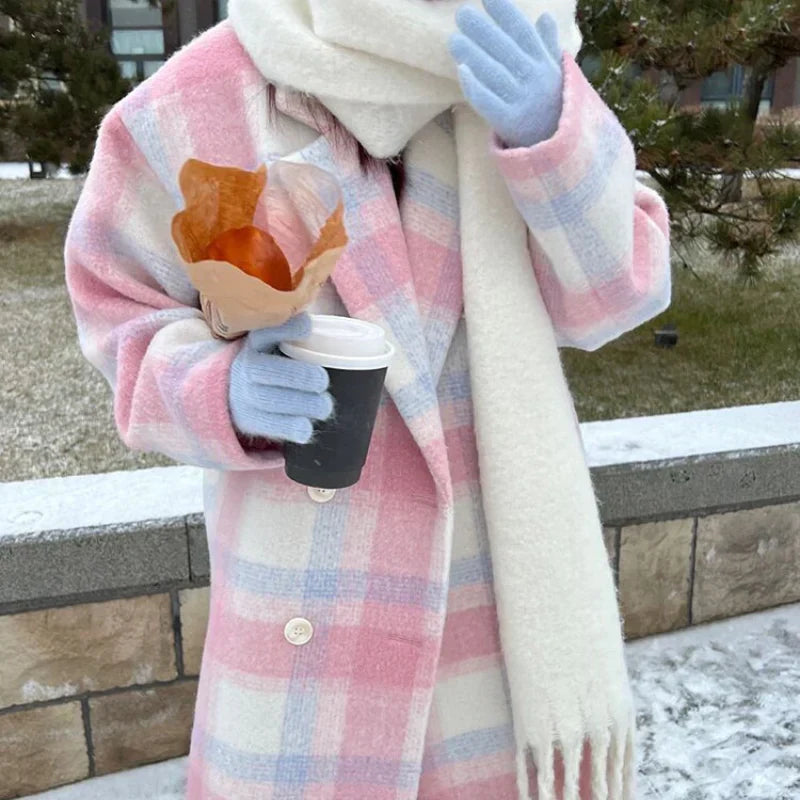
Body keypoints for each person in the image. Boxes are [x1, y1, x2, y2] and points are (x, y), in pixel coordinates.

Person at [65, 1, 671, 798]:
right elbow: (116, 310)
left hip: (492, 618)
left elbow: (615, 294)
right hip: (305, 619)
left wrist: (552, 134)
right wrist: (222, 390)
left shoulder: (503, 66)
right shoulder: (196, 100)